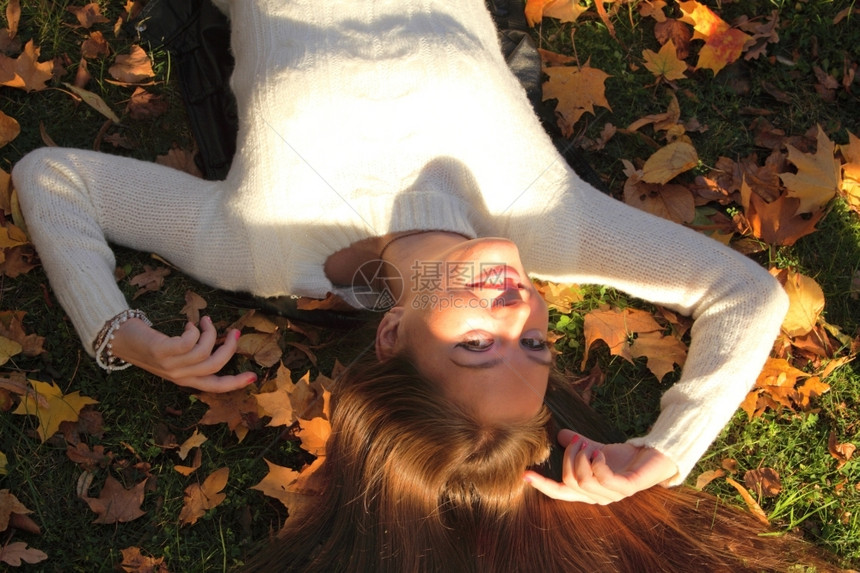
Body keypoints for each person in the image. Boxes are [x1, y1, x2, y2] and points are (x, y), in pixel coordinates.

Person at [12, 0, 787, 510]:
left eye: (479, 344)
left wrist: (117, 331)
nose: (519, 307)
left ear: (391, 333)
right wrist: (665, 451)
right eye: (539, 341)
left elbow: (50, 179)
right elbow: (750, 297)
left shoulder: (258, 241)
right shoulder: (551, 222)